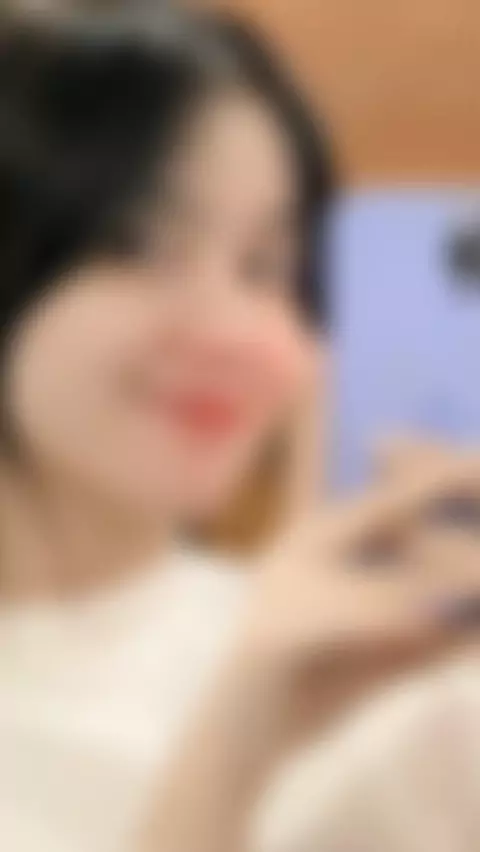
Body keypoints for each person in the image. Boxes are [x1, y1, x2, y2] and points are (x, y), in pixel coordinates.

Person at [1, 7, 480, 852]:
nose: (240, 334)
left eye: (267, 268)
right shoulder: (277, 662)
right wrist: (238, 742)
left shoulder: (395, 670)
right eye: (138, 245)